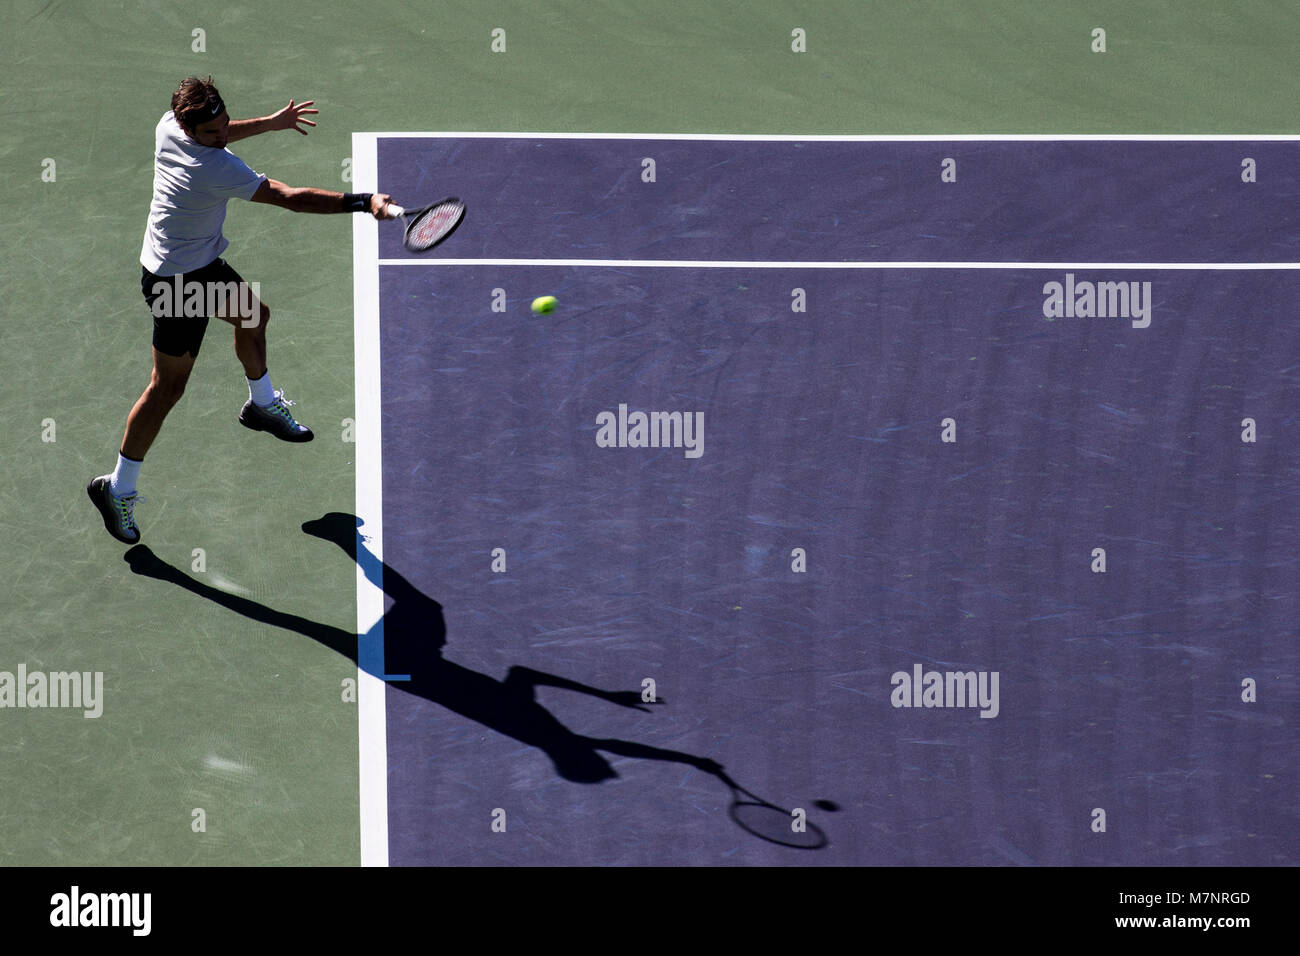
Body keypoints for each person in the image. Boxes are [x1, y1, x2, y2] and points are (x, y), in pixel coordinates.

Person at [89, 75, 394, 544]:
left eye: (224, 125)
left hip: (194, 263)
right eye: (211, 134)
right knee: (167, 388)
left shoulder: (167, 125)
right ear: (190, 132)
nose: (222, 135)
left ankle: (262, 405)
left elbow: (224, 130)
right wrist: (363, 201)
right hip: (176, 284)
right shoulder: (215, 168)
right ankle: (117, 488)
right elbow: (289, 198)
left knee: (253, 314)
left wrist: (271, 124)